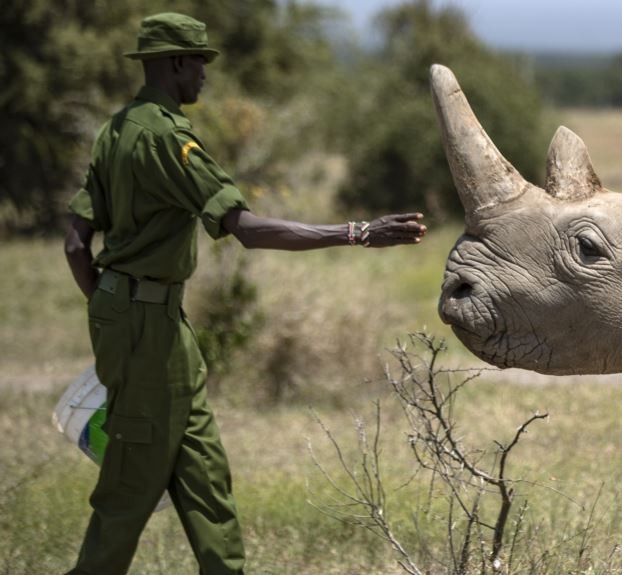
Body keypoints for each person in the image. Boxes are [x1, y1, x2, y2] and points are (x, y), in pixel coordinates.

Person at [62, 12, 427, 575]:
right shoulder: (166, 138)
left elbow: (73, 244)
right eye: (200, 64)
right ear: (176, 63)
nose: (205, 76)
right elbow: (246, 229)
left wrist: (107, 306)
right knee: (128, 492)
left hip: (154, 324)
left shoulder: (114, 129)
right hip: (146, 328)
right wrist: (357, 233)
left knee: (207, 485)